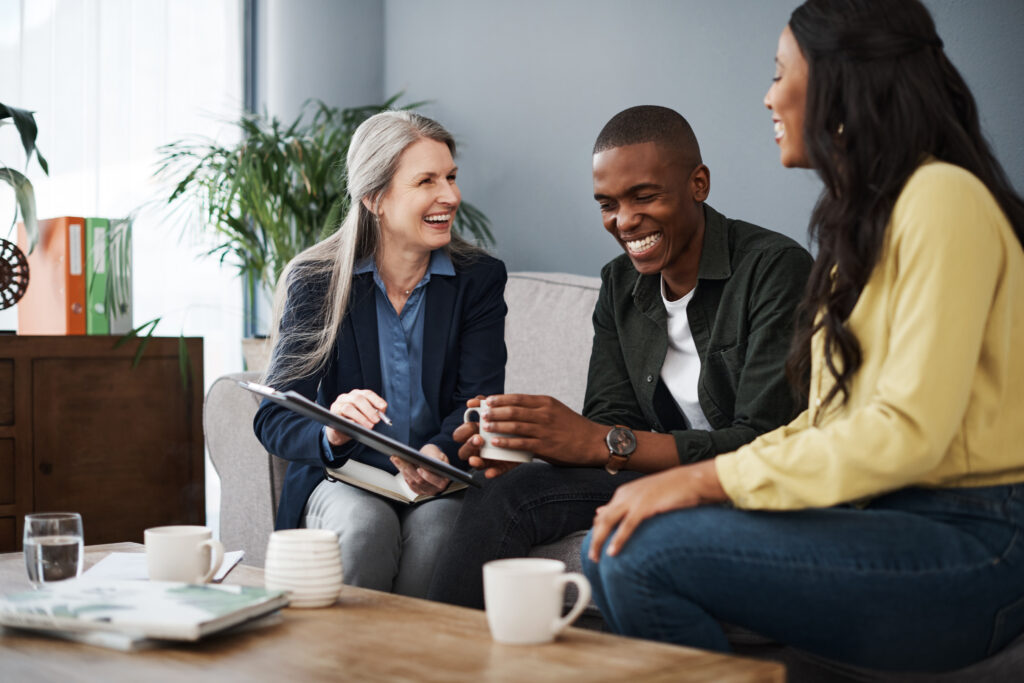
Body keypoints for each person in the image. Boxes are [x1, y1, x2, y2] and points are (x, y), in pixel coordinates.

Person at [581, 0, 1024, 674]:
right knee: (611, 539)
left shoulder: (941, 197)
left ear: (840, 81)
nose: (767, 96)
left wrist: (702, 480)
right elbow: (825, 421)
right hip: (885, 516)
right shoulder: (866, 230)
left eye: (779, 71)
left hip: (975, 537)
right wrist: (689, 482)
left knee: (642, 551)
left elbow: (907, 431)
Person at [426, 105, 813, 608]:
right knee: (502, 487)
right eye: (607, 204)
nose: (625, 221)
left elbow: (764, 444)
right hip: (653, 477)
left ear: (699, 184)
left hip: (749, 486)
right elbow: (610, 421)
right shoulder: (620, 283)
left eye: (644, 196)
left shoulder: (774, 270)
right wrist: (529, 439)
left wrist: (601, 442)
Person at [253, 110, 507, 598]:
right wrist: (331, 427)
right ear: (375, 198)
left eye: (451, 177)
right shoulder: (318, 281)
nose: (450, 196)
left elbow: (476, 403)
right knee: (365, 525)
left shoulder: (479, 279)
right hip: (343, 478)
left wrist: (440, 452)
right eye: (426, 181)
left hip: (438, 483)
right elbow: (275, 419)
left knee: (438, 533)